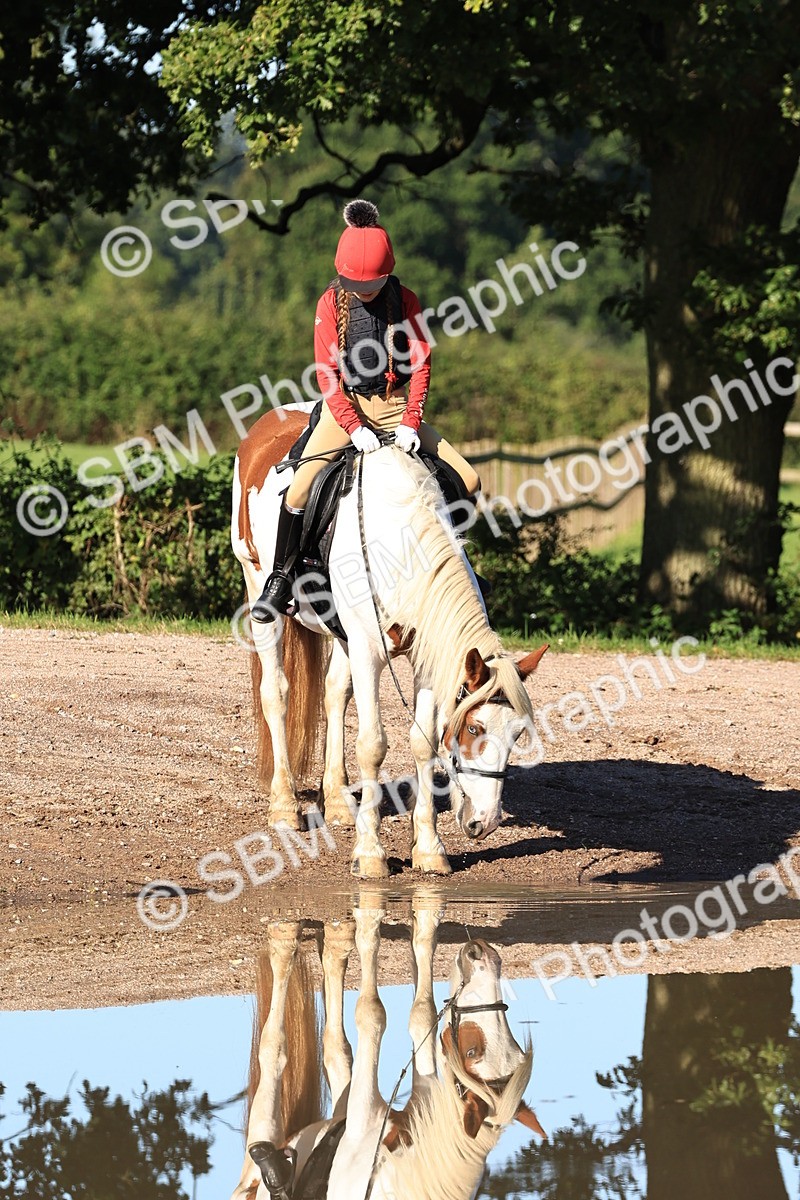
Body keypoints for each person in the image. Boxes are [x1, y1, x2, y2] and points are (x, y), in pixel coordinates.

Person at [251, 199, 480, 623]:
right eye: (356, 285)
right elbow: (327, 376)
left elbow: (422, 363)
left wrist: (412, 419)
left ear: (388, 271)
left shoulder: (406, 300)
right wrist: (353, 427)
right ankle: (280, 578)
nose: (364, 291)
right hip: (346, 410)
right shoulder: (328, 304)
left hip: (395, 407)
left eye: (372, 284)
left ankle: (455, 571)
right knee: (299, 489)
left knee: (470, 478)